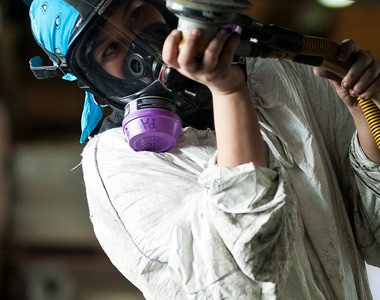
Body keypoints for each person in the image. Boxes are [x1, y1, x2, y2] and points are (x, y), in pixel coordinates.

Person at [26, 0, 380, 299]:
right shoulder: (117, 163)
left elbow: (373, 234)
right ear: (95, 83)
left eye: (136, 14)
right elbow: (252, 273)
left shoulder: (274, 73)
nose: (139, 43)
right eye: (110, 49)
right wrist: (228, 93)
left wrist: (361, 109)